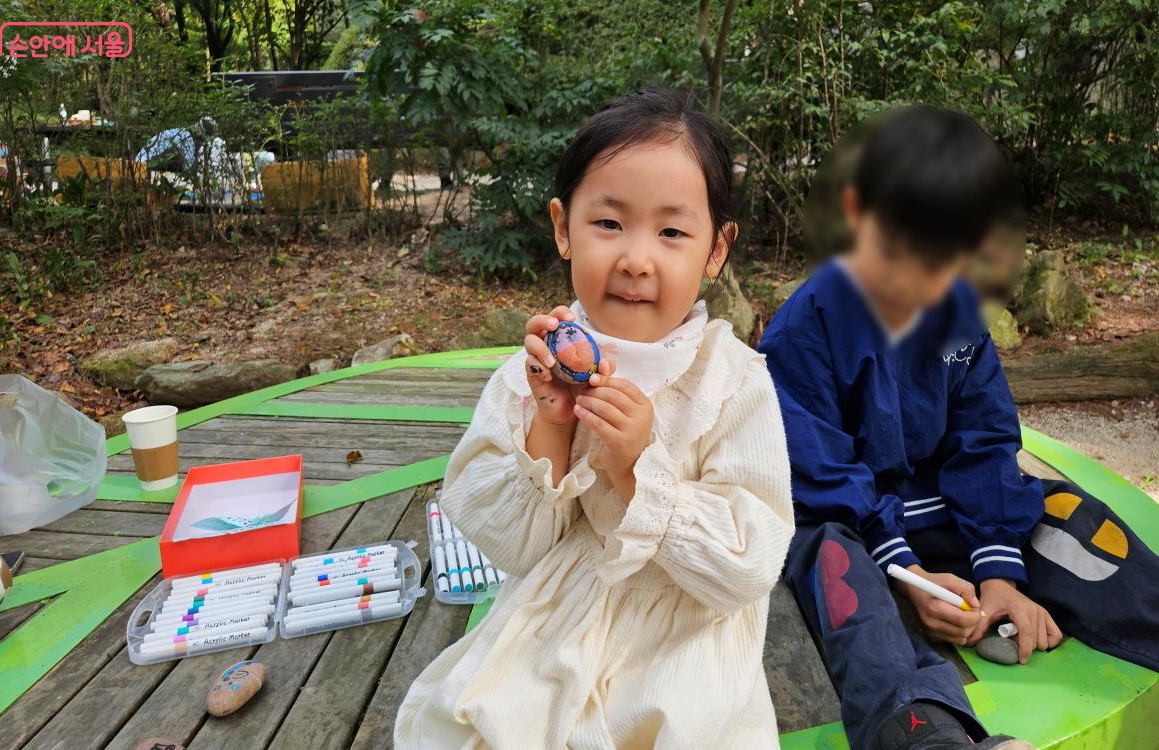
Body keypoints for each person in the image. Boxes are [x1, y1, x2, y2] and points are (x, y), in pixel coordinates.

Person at [395, 87, 795, 748]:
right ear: (562, 228)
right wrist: (550, 423)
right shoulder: (532, 374)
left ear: (716, 250)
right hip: (554, 625)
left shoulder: (733, 384)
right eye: (609, 224)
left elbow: (746, 568)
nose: (637, 258)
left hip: (685, 641)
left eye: (671, 232)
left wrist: (642, 469)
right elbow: (510, 545)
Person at [759, 104, 1159, 750]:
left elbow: (986, 438)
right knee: (838, 575)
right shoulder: (804, 329)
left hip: (938, 506)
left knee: (1078, 520)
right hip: (853, 521)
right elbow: (817, 473)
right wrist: (904, 572)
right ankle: (925, 736)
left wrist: (998, 572)